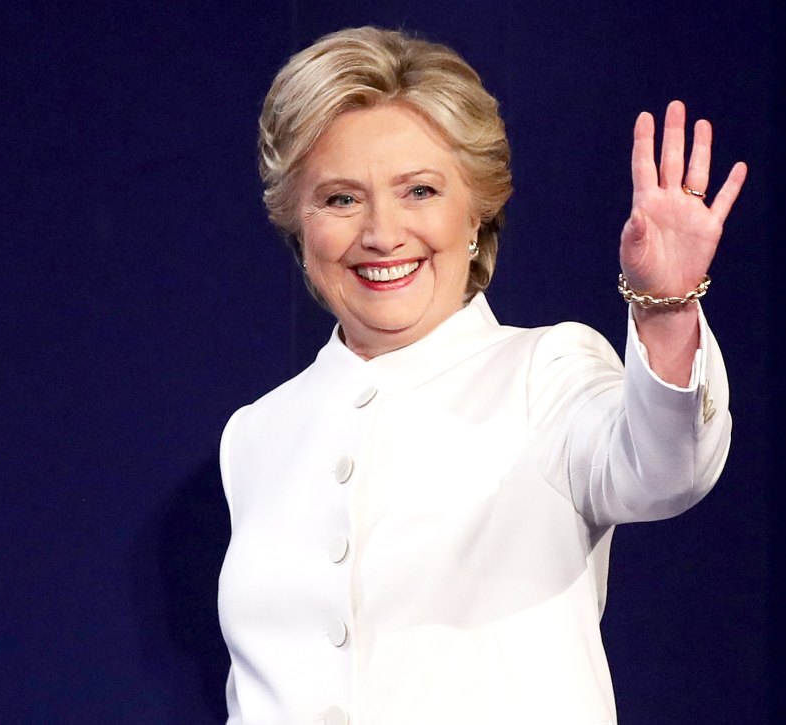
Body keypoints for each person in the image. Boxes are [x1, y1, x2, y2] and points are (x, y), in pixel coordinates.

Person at [217, 26, 746, 725]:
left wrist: (669, 308)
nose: (381, 232)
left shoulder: (546, 371)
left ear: (476, 212)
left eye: (419, 191)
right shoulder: (256, 433)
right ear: (298, 221)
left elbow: (666, 466)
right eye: (341, 199)